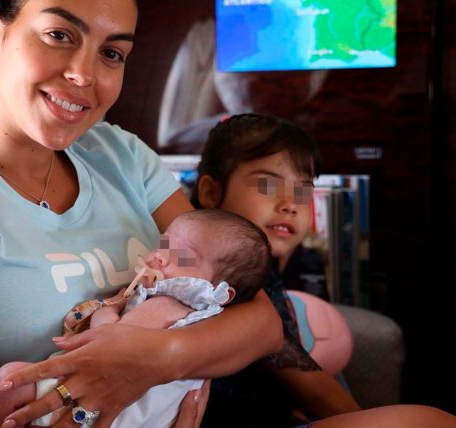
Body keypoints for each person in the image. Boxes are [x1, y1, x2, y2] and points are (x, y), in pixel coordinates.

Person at [0, 2, 285, 428]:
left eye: (111, 53)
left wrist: (153, 363)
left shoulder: (121, 155)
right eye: (59, 35)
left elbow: (263, 321)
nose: (84, 75)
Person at [191, 113, 456, 427]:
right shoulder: (218, 275)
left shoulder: (262, 272)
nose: (291, 204)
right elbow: (312, 388)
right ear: (210, 192)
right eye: (268, 185)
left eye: (303, 191)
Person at [0, 209, 272, 428]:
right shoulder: (203, 322)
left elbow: (109, 344)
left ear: (220, 292)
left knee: (7, 381)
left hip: (105, 407)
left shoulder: (170, 306)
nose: (159, 257)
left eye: (182, 256)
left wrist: (107, 310)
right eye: (163, 244)